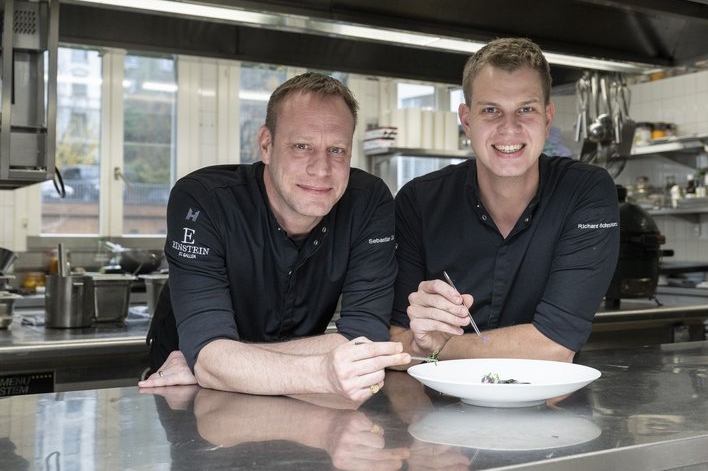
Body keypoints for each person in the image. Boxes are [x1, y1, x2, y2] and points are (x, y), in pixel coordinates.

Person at [139, 72, 410, 400]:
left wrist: (219, 363)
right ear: (266, 145)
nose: (321, 168)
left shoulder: (368, 200)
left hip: (271, 390)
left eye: (337, 150)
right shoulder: (204, 199)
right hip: (192, 395)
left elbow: (364, 342)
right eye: (301, 146)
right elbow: (210, 357)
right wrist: (212, 363)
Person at [389, 38, 620, 364]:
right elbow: (393, 341)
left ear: (547, 118)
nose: (509, 128)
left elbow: (555, 346)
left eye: (526, 109)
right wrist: (414, 344)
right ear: (467, 120)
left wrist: (435, 347)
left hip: (550, 407)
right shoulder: (419, 202)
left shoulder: (585, 191)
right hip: (435, 408)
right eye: (491, 110)